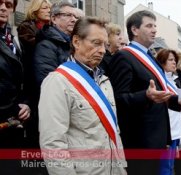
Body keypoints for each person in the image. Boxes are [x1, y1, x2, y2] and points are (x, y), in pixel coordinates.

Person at [39, 17, 127, 175]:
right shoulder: (58, 82)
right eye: (96, 43)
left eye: (104, 45)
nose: (102, 50)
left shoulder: (105, 81)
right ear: (76, 42)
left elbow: (114, 133)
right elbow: (53, 144)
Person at [109, 10, 181, 175]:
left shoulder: (150, 57)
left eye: (155, 26)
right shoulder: (124, 57)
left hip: (157, 137)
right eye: (149, 26)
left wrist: (178, 100)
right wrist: (145, 95)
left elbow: (159, 94)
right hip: (139, 140)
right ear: (134, 30)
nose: (154, 30)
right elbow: (118, 99)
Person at [17, 0, 51, 148]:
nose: (49, 10)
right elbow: (35, 46)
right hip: (30, 75)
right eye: (45, 7)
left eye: (50, 7)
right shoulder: (26, 26)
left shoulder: (49, 28)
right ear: (35, 10)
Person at [0, 0, 31, 148]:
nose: (3, 8)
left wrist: (25, 104)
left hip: (13, 121)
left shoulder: (13, 40)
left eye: (8, 5)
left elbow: (22, 78)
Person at [156, 49, 181, 175]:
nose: (174, 63)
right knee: (165, 168)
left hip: (176, 129)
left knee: (170, 167)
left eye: (175, 60)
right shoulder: (158, 81)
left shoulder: (175, 80)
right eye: (170, 60)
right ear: (161, 62)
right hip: (166, 131)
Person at [33, 1, 78, 90]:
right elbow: (48, 82)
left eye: (75, 16)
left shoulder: (74, 44)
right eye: (68, 15)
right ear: (54, 19)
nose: (74, 20)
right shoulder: (45, 46)